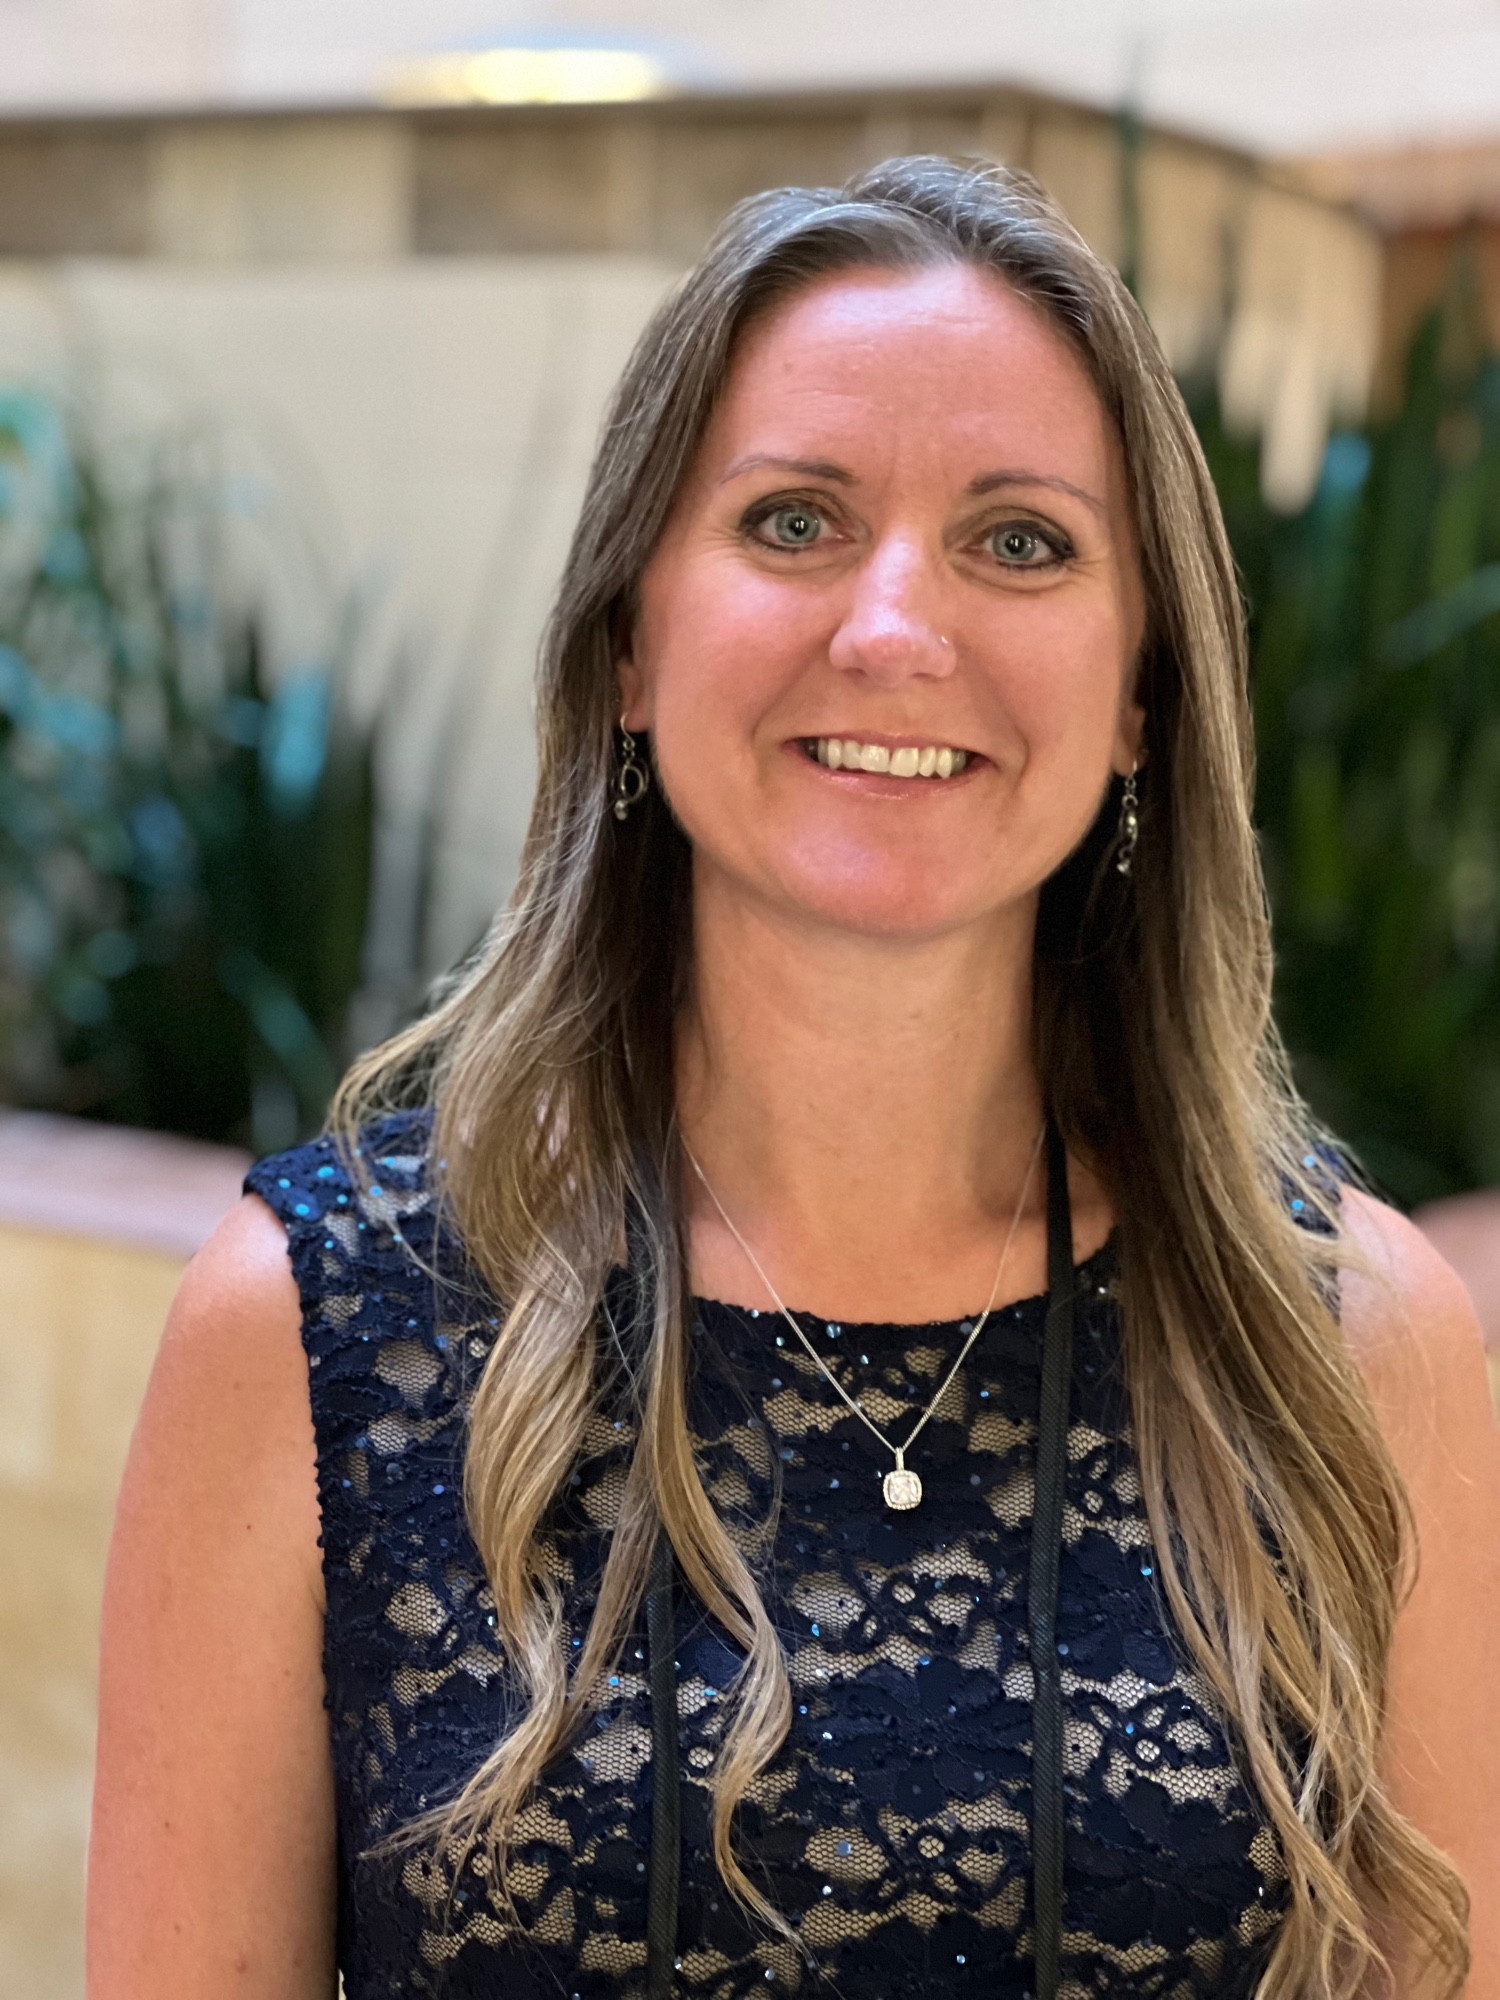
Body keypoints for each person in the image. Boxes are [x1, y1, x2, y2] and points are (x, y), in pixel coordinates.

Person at [87, 158, 1499, 2000]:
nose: (897, 629)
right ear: (627, 647)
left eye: (1021, 541)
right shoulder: (304, 1331)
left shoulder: (1357, 1344)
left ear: (1142, 687)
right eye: (794, 521)